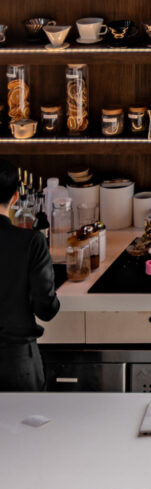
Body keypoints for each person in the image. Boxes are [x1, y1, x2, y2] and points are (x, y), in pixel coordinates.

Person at [0, 160, 59, 391]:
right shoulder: (31, 243)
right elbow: (46, 309)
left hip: (18, 359)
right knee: (24, 426)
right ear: (16, 197)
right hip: (17, 362)